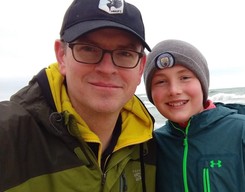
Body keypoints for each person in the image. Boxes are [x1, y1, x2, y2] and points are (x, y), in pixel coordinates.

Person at [0, 0, 156, 191]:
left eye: (125, 53)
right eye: (88, 49)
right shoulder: (8, 136)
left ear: (141, 67)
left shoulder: (152, 149)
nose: (107, 69)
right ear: (62, 56)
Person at [143, 39, 245, 192]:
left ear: (202, 84)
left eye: (184, 77)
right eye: (161, 81)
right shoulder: (153, 144)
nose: (174, 90)